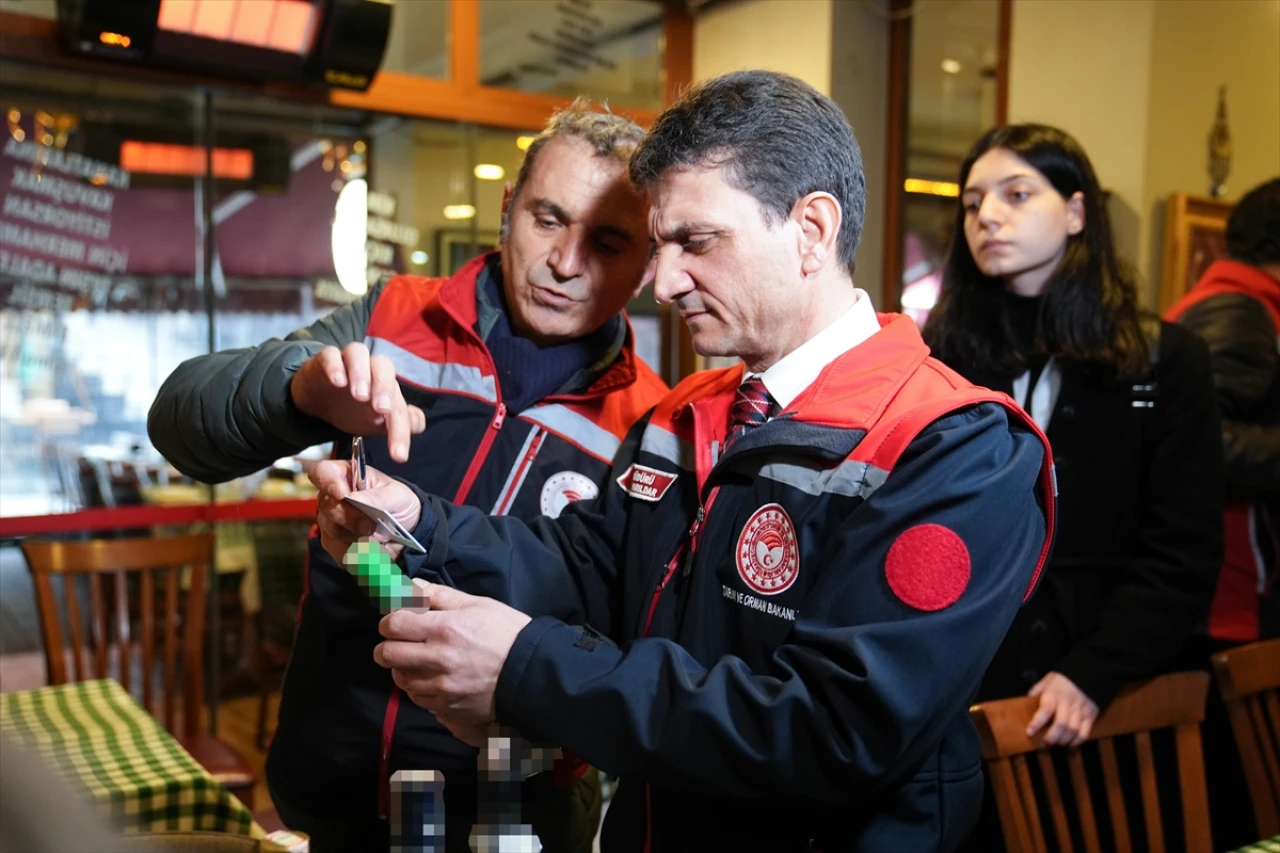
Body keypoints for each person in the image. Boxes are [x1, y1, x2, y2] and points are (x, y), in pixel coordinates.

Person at [308, 69, 1056, 852]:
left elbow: (835, 729)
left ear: (811, 229)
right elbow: (586, 564)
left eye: (696, 243)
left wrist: (529, 668)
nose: (662, 283)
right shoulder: (686, 413)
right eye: (660, 246)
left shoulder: (955, 447)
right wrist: (426, 523)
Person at [147, 101, 669, 853]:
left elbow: (629, 641)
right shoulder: (391, 319)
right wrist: (299, 392)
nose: (564, 261)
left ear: (649, 261)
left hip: (517, 816)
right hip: (335, 790)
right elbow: (179, 420)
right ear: (506, 208)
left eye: (608, 240)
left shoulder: (651, 423)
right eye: (547, 218)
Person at [922, 124, 1224, 849]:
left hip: (1114, 693)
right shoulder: (944, 353)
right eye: (971, 203)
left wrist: (1093, 673)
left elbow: (1182, 554)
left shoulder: (1164, 358)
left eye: (1017, 194)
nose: (986, 216)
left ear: (1078, 213)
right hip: (969, 693)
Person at [1166, 175, 1280, 849]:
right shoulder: (1240, 310)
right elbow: (1207, 445)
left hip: (1230, 595)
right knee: (1232, 808)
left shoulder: (1237, 303)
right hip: (1228, 597)